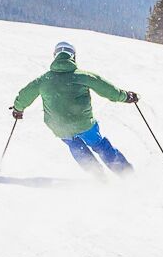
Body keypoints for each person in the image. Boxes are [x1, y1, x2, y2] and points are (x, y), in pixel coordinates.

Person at [10, 40, 138, 175]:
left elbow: (24, 95)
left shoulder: (43, 80)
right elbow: (108, 90)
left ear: (55, 56)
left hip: (59, 126)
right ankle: (126, 174)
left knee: (76, 146)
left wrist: (18, 109)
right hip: (82, 123)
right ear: (73, 56)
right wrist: (126, 97)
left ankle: (98, 176)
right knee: (99, 144)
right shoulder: (83, 76)